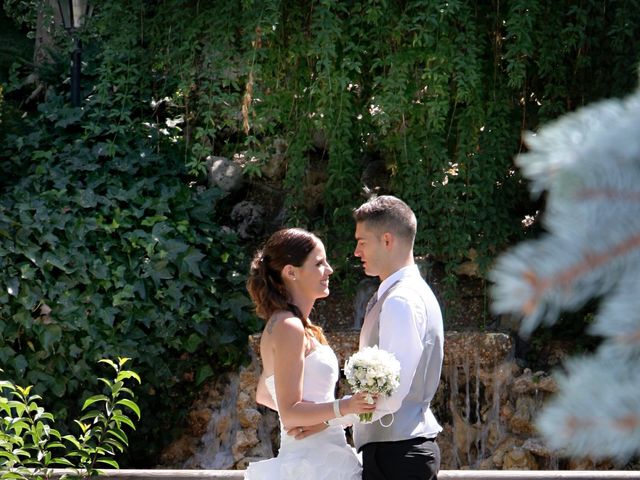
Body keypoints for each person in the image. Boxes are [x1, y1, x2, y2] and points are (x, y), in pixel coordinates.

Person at [244, 227, 376, 480]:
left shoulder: (293, 324)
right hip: (313, 466)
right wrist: (346, 406)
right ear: (291, 272)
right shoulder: (288, 326)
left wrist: (328, 419)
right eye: (319, 263)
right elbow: (290, 411)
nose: (329, 270)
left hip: (323, 456)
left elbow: (264, 394)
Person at [352, 195, 444, 480]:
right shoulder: (411, 292)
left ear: (388, 240)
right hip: (400, 450)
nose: (356, 252)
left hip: (397, 455)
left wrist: (332, 416)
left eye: (362, 242)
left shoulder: (400, 300)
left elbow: (392, 394)